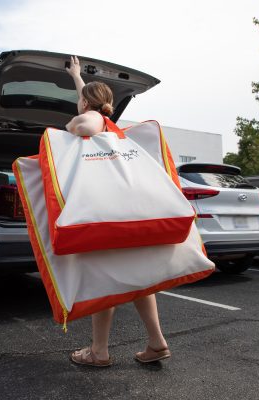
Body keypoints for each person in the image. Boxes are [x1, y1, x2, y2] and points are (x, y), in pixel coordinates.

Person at [65, 55, 172, 367]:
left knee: (104, 281)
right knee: (138, 280)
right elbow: (92, 108)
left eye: (80, 101)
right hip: (129, 214)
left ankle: (98, 351)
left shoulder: (93, 120)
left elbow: (86, 121)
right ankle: (156, 343)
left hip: (107, 214)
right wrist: (77, 77)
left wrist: (70, 125)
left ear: (86, 104)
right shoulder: (113, 127)